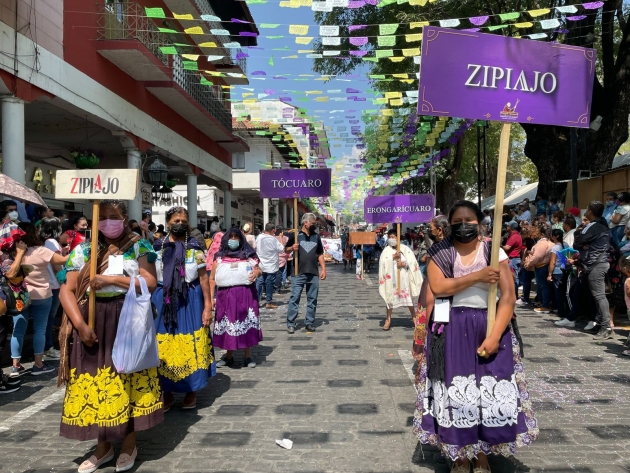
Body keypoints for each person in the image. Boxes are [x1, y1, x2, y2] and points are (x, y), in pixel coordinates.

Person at [415, 200, 538, 472]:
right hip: (452, 327)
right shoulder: (440, 252)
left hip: (489, 324)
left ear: (479, 223)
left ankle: (481, 454)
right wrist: (479, 275)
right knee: (458, 393)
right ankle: (460, 454)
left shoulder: (494, 253)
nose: (463, 225)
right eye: (457, 220)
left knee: (487, 392)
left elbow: (508, 297)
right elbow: (439, 286)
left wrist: (495, 336)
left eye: (469, 220)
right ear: (450, 224)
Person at [58, 200, 162, 472]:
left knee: (125, 378)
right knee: (95, 381)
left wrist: (111, 280)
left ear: (124, 217)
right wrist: (80, 326)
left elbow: (149, 282)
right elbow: (66, 291)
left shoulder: (140, 246)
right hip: (91, 320)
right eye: (101, 217)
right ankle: (102, 447)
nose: (107, 222)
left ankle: (128, 443)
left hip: (126, 318)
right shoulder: (82, 250)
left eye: (113, 216)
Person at [153, 207, 214, 411]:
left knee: (191, 344)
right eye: (176, 220)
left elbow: (204, 278)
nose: (180, 223)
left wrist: (208, 307)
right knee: (165, 345)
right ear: (168, 223)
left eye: (184, 220)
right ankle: (166, 392)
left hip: (190, 301)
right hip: (163, 301)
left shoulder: (195, 248)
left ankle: (191, 391)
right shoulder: (156, 248)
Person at [6, 222, 68, 377]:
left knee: (18, 330)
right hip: (42, 295)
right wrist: (73, 251)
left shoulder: (13, 253)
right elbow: (62, 260)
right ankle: (38, 364)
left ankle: (15, 366)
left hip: (20, 296)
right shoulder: (41, 251)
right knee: (40, 329)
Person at [209, 228, 263, 368]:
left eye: (236, 237)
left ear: (241, 239)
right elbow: (212, 279)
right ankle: (228, 356)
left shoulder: (249, 255)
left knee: (245, 323)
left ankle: (248, 356)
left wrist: (257, 273)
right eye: (231, 237)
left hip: (246, 294)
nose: (233, 240)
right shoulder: (219, 257)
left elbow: (259, 269)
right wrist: (210, 298)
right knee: (228, 324)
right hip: (225, 296)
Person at [571, 201, 613, 339]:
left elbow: (577, 243)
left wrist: (585, 245)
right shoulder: (603, 226)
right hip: (599, 263)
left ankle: (606, 326)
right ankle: (601, 323)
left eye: (587, 209)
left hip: (595, 264)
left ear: (590, 212)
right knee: (596, 296)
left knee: (599, 295)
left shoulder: (592, 227)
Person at [285, 213, 326, 334]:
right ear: (305, 223)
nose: (314, 225)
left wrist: (323, 269)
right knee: (295, 298)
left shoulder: (316, 236)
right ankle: (291, 322)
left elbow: (320, 254)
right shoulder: (296, 235)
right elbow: (285, 249)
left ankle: (309, 322)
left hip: (313, 272)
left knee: (312, 299)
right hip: (298, 273)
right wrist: (292, 248)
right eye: (313, 223)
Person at [378, 228, 423, 330]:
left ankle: (414, 318)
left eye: (393, 237)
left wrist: (404, 264)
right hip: (391, 280)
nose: (391, 239)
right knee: (390, 300)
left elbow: (412, 262)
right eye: (390, 237)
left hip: (403, 278)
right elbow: (382, 263)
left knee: (409, 299)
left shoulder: (405, 249)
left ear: (398, 237)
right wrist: (393, 257)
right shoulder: (387, 250)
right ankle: (388, 319)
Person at [39, 217, 65, 360]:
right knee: (49, 318)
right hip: (53, 285)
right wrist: (63, 281)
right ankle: (48, 347)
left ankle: (44, 347)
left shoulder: (41, 242)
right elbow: (56, 265)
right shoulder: (52, 242)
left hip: (44, 283)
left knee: (45, 319)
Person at [255, 223, 286, 310]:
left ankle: (256, 301)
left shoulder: (259, 237)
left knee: (259, 282)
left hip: (261, 264)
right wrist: (280, 238)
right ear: (273, 230)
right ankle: (269, 301)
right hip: (271, 265)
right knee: (269, 283)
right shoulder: (273, 240)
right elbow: (281, 249)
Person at [526, 228, 553, 314]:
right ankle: (543, 302)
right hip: (545, 265)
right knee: (544, 286)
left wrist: (529, 263)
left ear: (541, 234)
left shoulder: (541, 243)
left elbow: (537, 256)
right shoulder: (551, 243)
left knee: (543, 286)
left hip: (542, 266)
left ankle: (545, 305)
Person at [547, 229, 568, 323]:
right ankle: (566, 310)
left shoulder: (555, 248)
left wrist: (549, 274)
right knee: (565, 292)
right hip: (566, 270)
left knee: (558, 292)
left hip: (557, 271)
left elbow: (552, 262)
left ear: (555, 237)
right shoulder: (566, 245)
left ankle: (561, 311)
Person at [502, 221, 523, 297]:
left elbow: (507, 247)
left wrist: (498, 244)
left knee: (513, 278)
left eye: (508, 226)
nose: (506, 227)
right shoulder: (514, 235)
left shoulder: (514, 236)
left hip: (513, 259)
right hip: (513, 259)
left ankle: (514, 295)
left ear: (510, 227)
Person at [274, 225, 289, 292]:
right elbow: (284, 247)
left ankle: (275, 286)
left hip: (274, 257)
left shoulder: (272, 238)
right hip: (282, 258)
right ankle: (278, 287)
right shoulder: (285, 238)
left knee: (274, 273)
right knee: (280, 272)